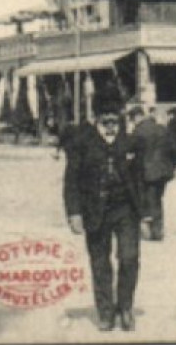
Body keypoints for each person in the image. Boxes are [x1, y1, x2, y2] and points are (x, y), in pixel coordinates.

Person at [63, 86, 149, 332]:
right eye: (106, 121)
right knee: (100, 262)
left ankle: (125, 307)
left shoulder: (132, 141)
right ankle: (105, 312)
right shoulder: (81, 141)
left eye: (115, 120)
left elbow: (142, 181)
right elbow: (71, 180)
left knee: (130, 258)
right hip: (95, 210)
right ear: (97, 119)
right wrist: (74, 213)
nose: (112, 126)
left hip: (126, 210)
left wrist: (146, 214)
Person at [129, 105, 176, 241]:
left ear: (137, 117)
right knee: (157, 198)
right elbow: (173, 148)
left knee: (149, 200)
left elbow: (131, 149)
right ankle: (158, 229)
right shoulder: (162, 128)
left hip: (147, 171)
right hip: (164, 171)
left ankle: (152, 231)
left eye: (133, 119)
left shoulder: (138, 131)